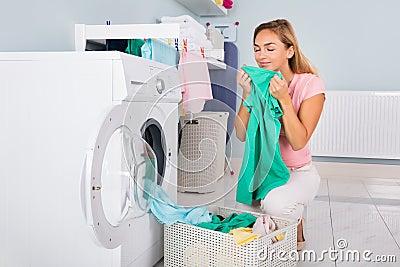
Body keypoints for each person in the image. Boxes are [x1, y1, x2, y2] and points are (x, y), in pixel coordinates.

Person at [234, 19, 325, 251]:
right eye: (256, 48)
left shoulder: (310, 85)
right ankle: (286, 218)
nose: (261, 56)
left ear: (289, 50)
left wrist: (284, 98)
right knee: (249, 209)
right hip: (266, 170)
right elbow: (240, 134)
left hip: (300, 173)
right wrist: (247, 93)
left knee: (274, 205)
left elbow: (298, 141)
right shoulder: (259, 84)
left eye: (270, 48)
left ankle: (297, 220)